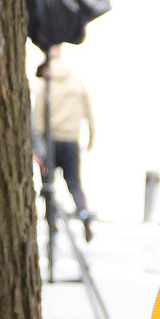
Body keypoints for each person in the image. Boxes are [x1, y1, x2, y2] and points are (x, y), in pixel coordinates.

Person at [34, 45, 96, 234]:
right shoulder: (76, 82)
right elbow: (89, 113)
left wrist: (37, 147)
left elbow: (37, 116)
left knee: (48, 184)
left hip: (51, 141)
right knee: (74, 183)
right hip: (71, 141)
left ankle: (51, 223)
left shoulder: (45, 84)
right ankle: (83, 212)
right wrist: (91, 138)